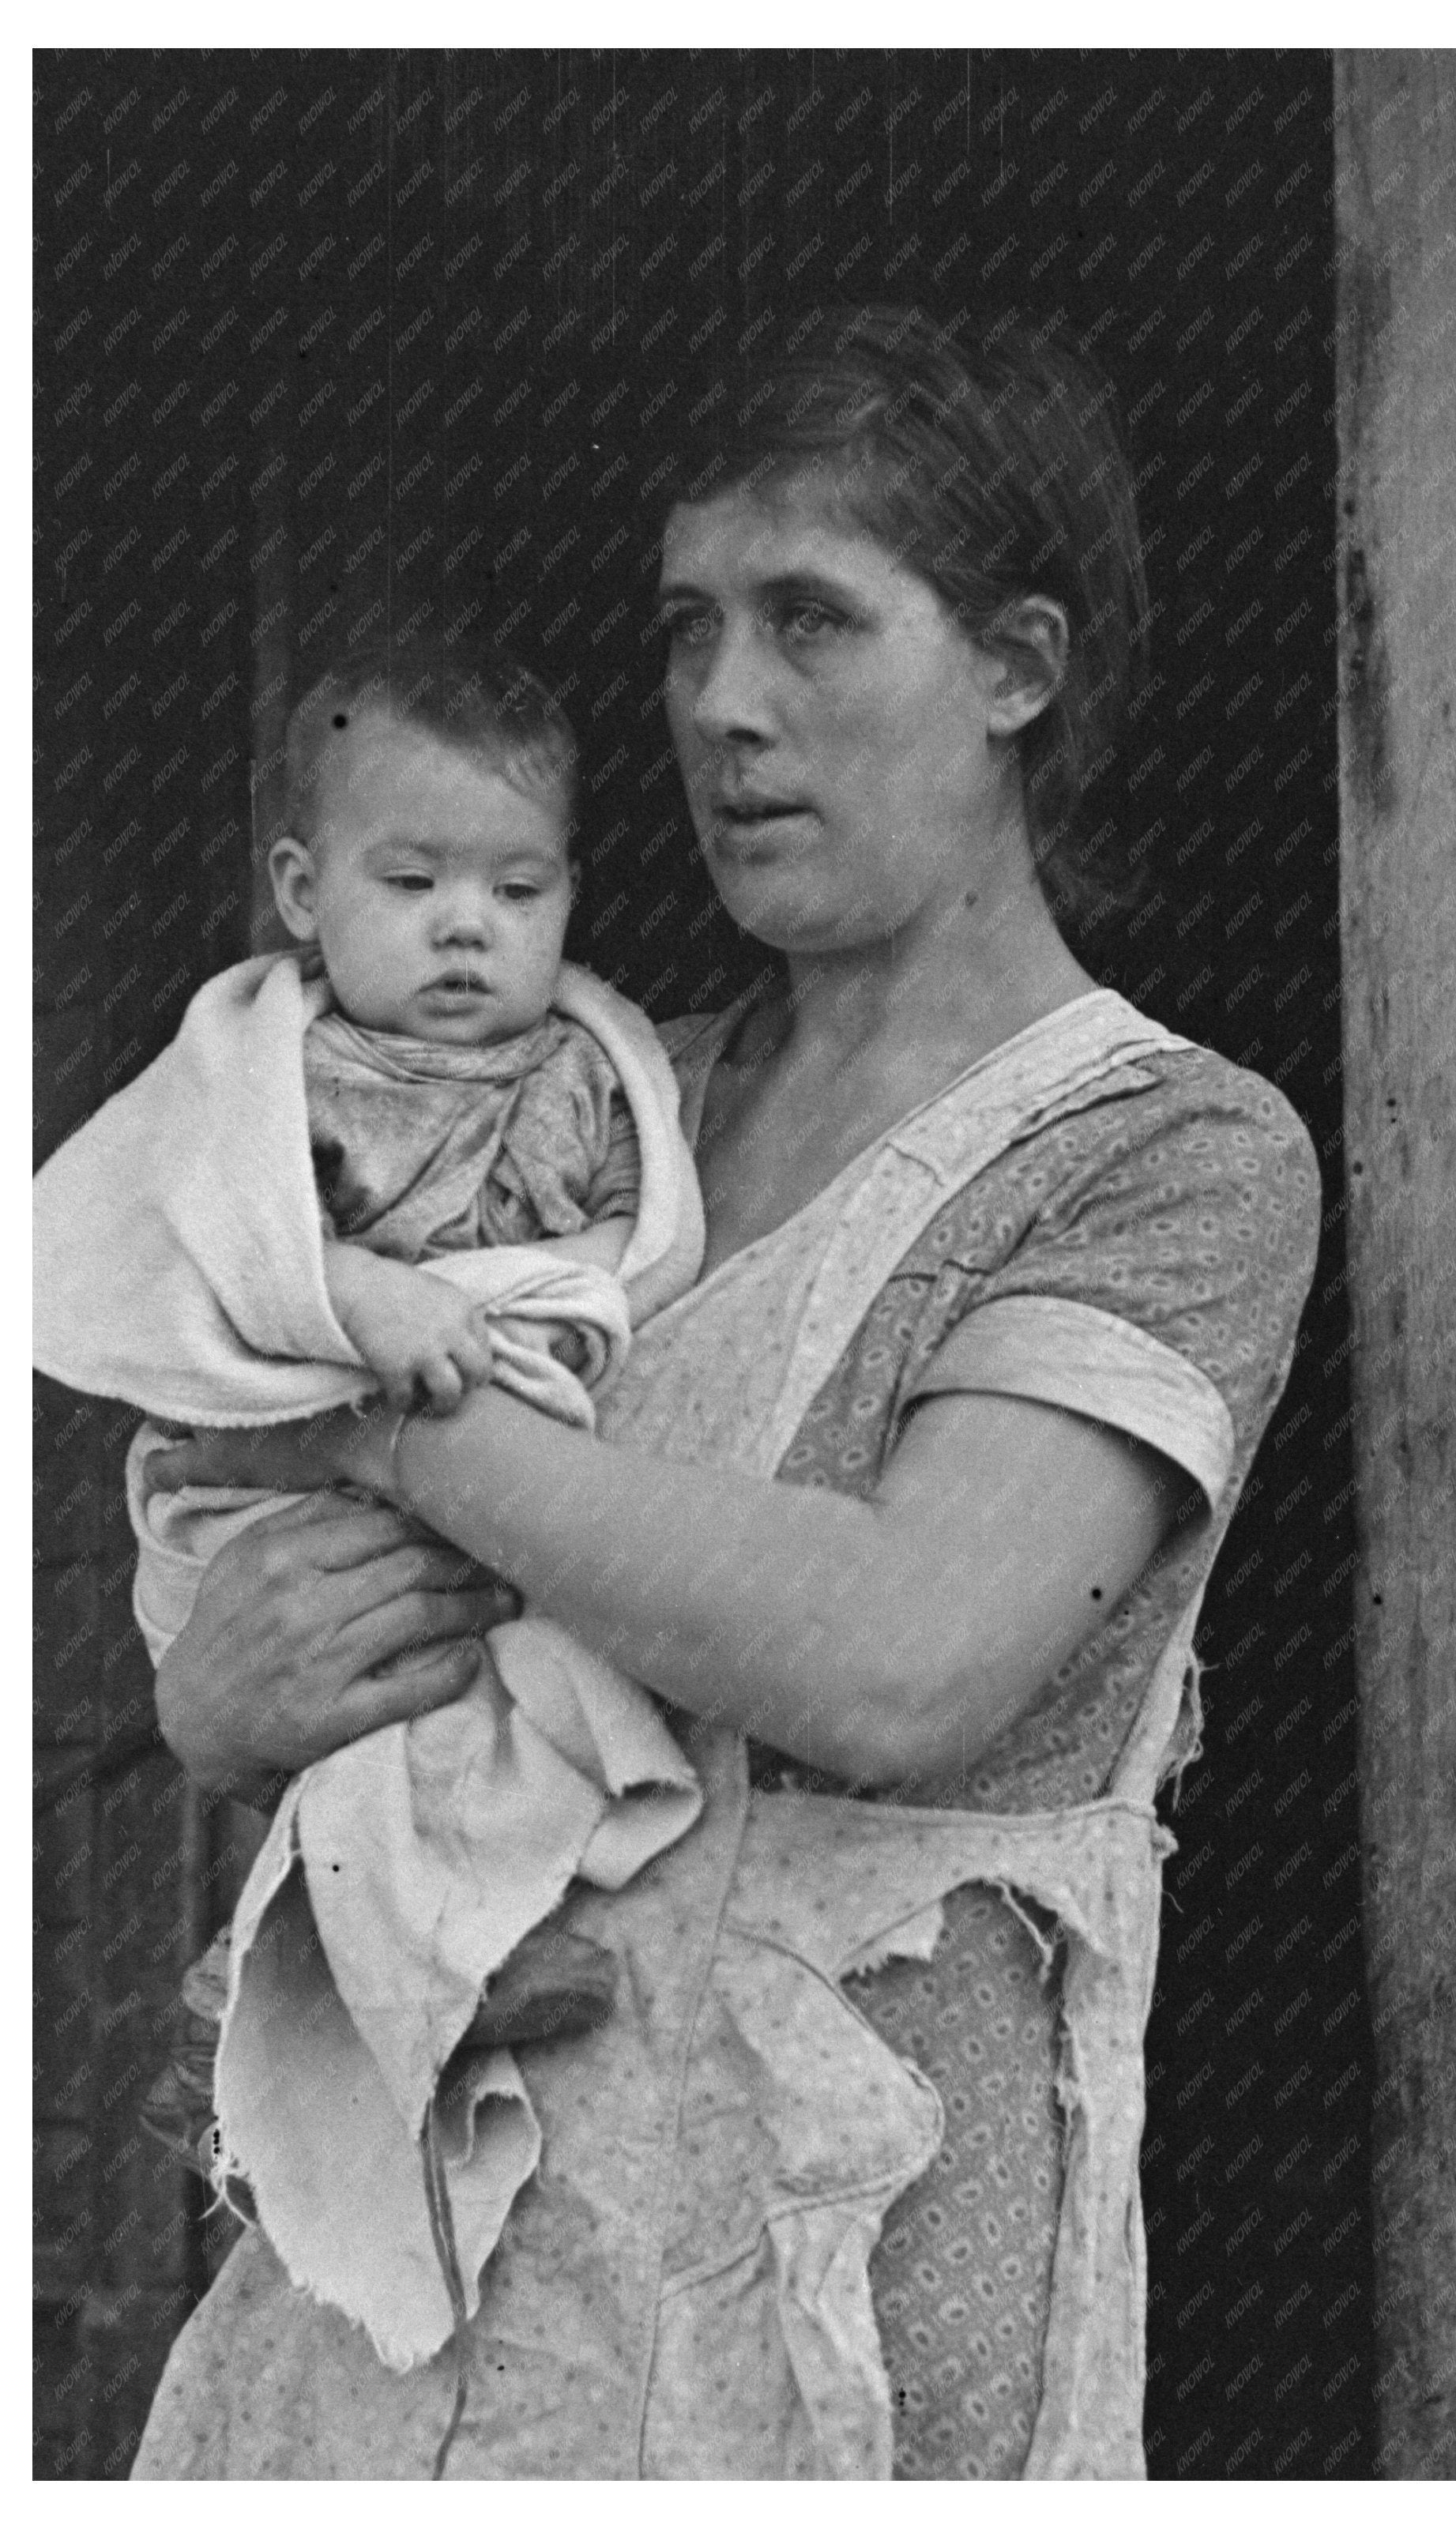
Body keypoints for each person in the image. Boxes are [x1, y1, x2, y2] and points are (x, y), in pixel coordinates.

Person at [129, 303, 1321, 2481]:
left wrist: (387, 1407)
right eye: (688, 629)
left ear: (1019, 665)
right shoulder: (592, 1105)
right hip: (430, 2257)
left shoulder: (1167, 1151)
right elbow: (221, 1438)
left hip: (833, 2282)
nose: (718, 706)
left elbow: (895, 1655)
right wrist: (217, 1681)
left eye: (808, 623)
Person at [32, 642, 711, 2382]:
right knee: (359, 1709)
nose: (466, 927)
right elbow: (189, 1236)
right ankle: (249, 2020)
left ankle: (435, 1982)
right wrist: (353, 1302)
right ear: (302, 893)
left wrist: (561, 1316)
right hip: (270, 1472)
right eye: (410, 884)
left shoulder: (585, 1066)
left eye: (518, 884)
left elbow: (632, 1259)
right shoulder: (281, 1070)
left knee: (493, 1713)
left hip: (488, 1454)